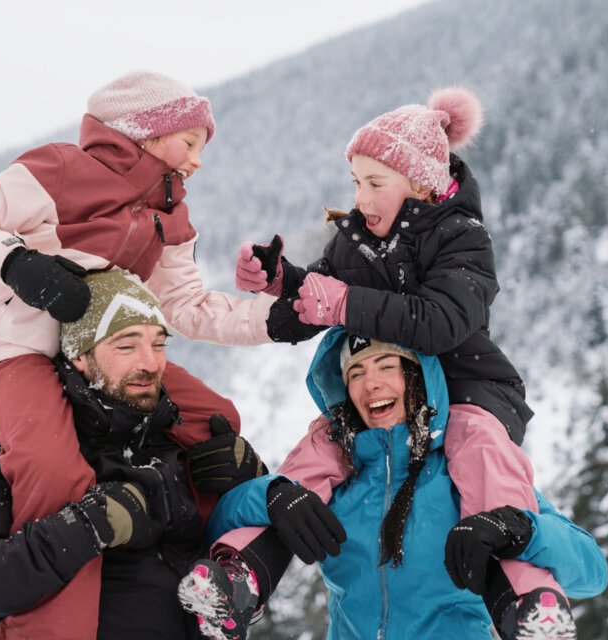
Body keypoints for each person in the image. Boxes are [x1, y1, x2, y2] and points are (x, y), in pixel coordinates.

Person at [0, 71, 277, 637]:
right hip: (20, 350)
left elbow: (185, 306)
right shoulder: (60, 169)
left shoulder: (171, 211)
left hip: (113, 352)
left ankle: (216, 577)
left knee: (217, 420)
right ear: (144, 131)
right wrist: (19, 265)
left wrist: (280, 319)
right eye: (190, 143)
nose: (198, 161)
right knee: (53, 470)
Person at [234, 87, 568, 621]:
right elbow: (318, 297)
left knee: (481, 454)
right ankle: (238, 576)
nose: (361, 199)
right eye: (355, 183)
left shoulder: (463, 237)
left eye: (374, 183)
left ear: (420, 184)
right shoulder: (357, 240)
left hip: (467, 387)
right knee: (320, 452)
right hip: (385, 392)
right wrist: (279, 282)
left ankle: (527, 604)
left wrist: (344, 302)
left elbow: (440, 323)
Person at [185, 328, 608, 639]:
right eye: (356, 373)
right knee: (285, 508)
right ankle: (235, 595)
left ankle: (529, 615)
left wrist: (521, 530)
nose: (371, 384)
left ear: (418, 377)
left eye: (388, 366)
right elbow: (225, 520)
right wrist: (272, 495)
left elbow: (591, 570)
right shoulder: (335, 465)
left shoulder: (465, 467)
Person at [0, 270, 273, 638]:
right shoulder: (19, 456)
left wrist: (251, 483)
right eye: (126, 345)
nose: (151, 362)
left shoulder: (184, 443)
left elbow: (238, 575)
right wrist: (84, 527)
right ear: (80, 357)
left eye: (158, 344)